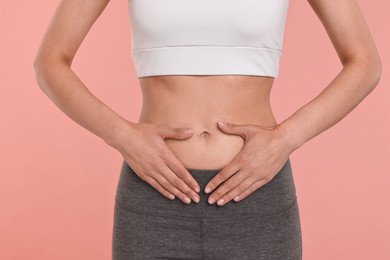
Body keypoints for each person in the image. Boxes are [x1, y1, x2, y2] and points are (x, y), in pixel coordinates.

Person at [32, 0, 382, 259]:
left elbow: (365, 62)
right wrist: (122, 136)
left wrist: (286, 139)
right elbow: (49, 60)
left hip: (256, 195)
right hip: (154, 194)